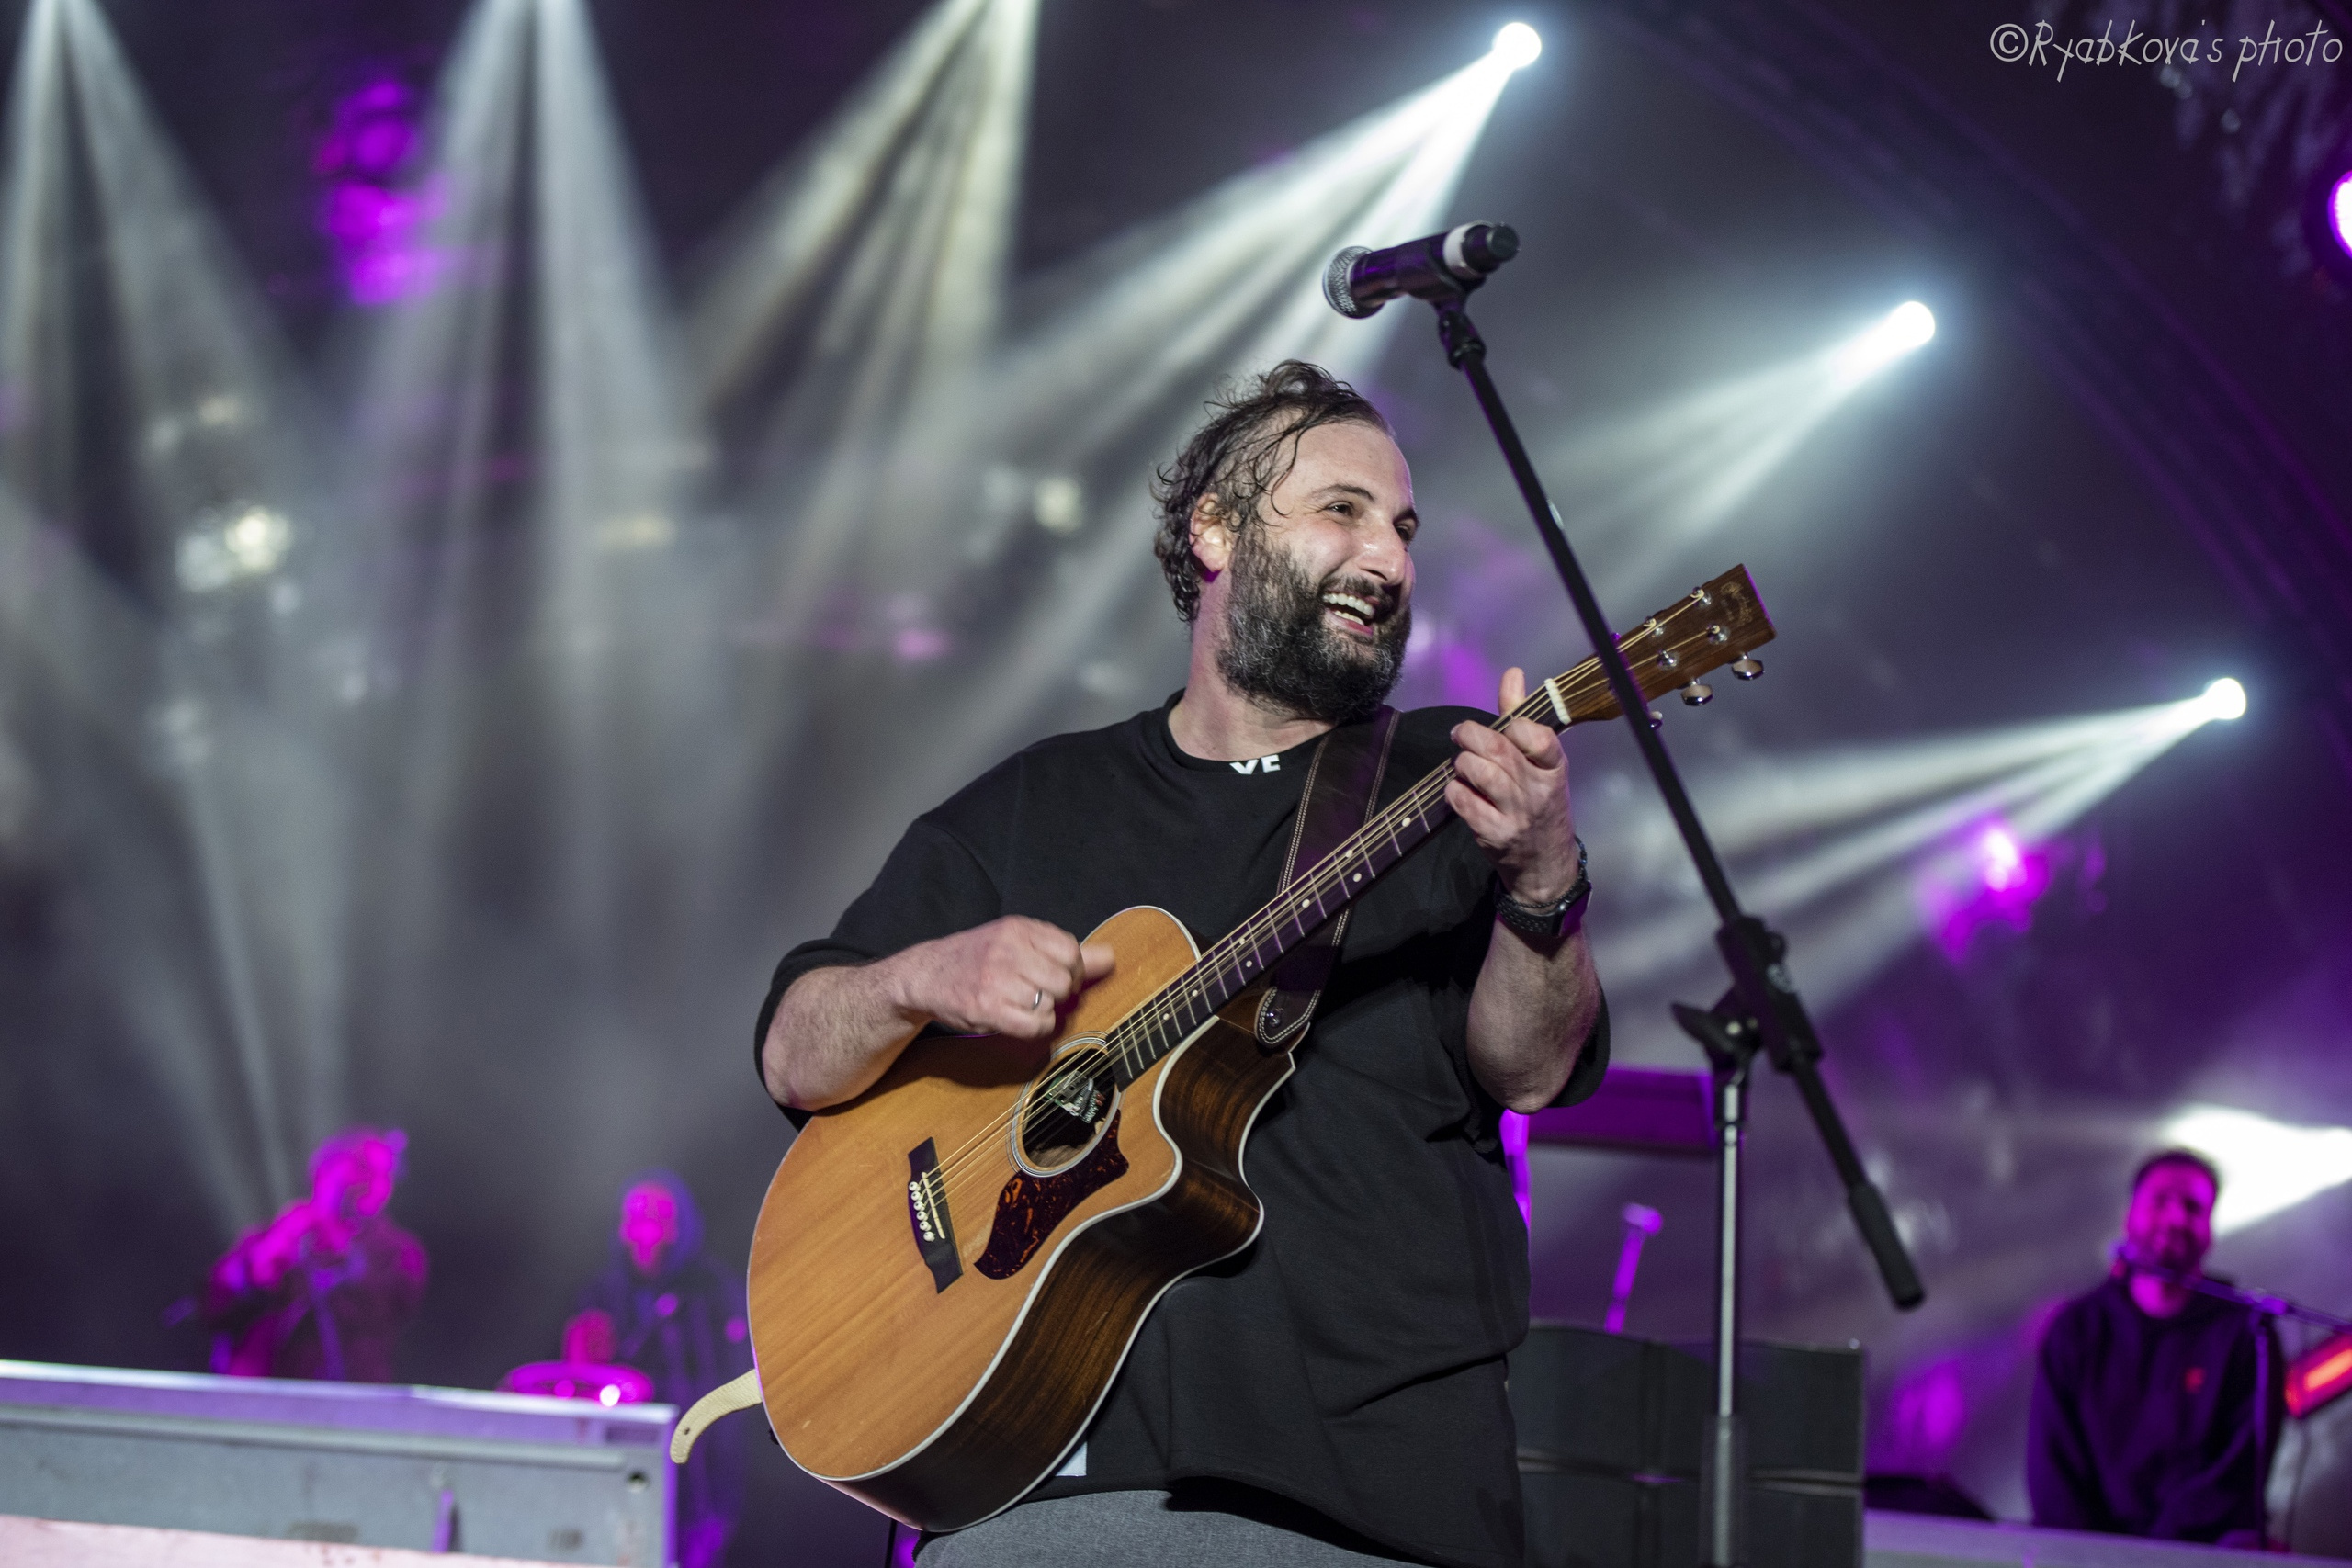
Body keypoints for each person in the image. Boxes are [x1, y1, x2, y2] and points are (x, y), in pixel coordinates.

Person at [756, 361, 1608, 1568]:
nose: (1388, 558)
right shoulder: (1036, 802)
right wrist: (915, 980)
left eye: (1405, 528)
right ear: (1215, 529)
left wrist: (1541, 881)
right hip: (1035, 1494)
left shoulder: (1451, 779)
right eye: (1343, 509)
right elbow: (796, 1054)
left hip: (1363, 1501)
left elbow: (1531, 1071)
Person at [2028, 1148, 2285, 1545]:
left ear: (2210, 1228)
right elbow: (2052, 1466)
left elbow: (2241, 1468)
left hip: (2203, 1556)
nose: (2176, 1219)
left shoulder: (2246, 1333)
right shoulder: (2076, 1330)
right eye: (2161, 1201)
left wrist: (2162, 1550)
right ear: (2128, 1215)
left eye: (2193, 1208)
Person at [566, 1171, 752, 1568]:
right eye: (635, 1214)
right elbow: (578, 1384)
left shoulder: (713, 1293)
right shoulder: (601, 1294)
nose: (645, 1227)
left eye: (657, 1215)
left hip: (697, 1477)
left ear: (681, 1225)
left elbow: (735, 1386)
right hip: (618, 1474)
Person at [202, 1126, 427, 1382]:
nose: (371, 1183)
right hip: (267, 1389)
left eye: (384, 1174)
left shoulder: (397, 1252)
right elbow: (214, 1304)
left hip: (351, 1393)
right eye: (361, 1168)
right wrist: (260, 1265)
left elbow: (389, 1308)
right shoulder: (274, 1234)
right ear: (323, 1172)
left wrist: (339, 1256)